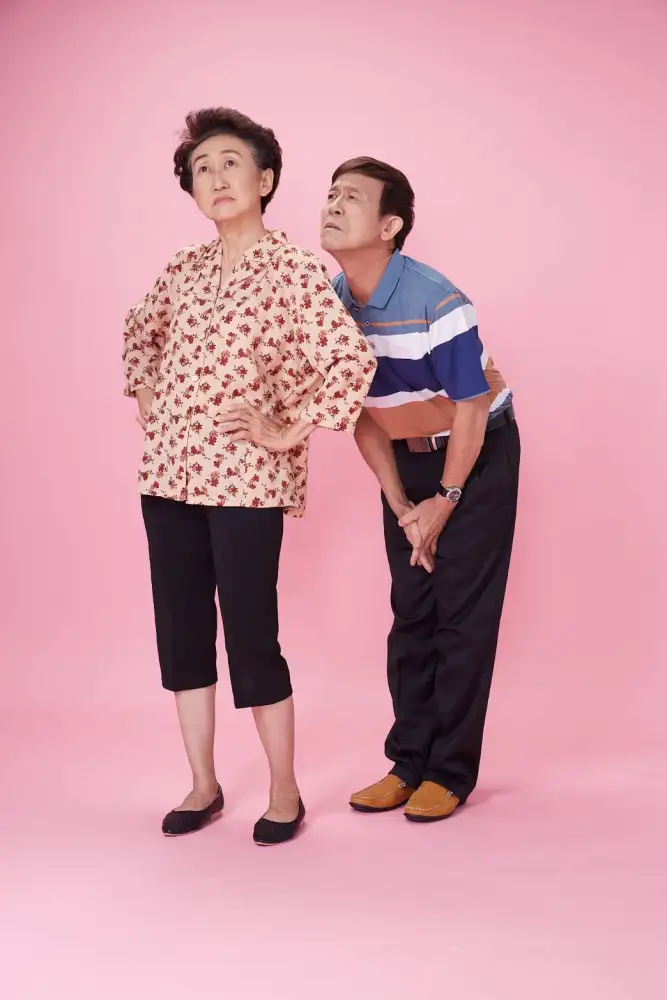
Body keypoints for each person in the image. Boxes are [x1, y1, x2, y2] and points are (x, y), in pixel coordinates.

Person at [122, 110, 376, 845]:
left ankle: (283, 790)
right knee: (182, 634)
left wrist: (287, 429)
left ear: (264, 180)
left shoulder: (294, 269)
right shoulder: (183, 268)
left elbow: (349, 361)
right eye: (202, 169)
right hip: (168, 477)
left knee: (252, 635)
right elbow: (139, 331)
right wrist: (146, 390)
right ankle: (202, 785)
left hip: (246, 482)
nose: (216, 178)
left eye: (230, 163)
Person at [320, 157, 520, 822]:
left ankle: (449, 771)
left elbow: (471, 408)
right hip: (403, 461)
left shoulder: (438, 301)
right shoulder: (330, 305)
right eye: (330, 194)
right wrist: (398, 500)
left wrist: (447, 498)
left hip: (475, 456)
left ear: (390, 226)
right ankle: (407, 763)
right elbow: (357, 413)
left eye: (351, 197)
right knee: (411, 612)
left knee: (461, 616)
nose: (332, 204)